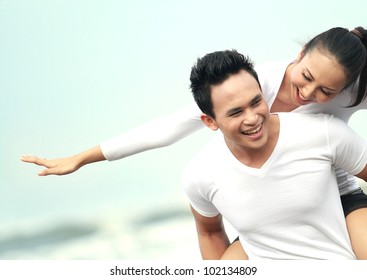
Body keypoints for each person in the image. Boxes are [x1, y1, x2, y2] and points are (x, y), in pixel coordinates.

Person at [21, 26, 367, 258]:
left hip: (337, 195)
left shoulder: (351, 93)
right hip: (270, 210)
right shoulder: (248, 85)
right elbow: (167, 128)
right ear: (301, 53)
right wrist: (82, 158)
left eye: (326, 91)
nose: (308, 94)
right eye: (306, 77)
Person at [183, 49, 367, 259]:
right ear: (210, 121)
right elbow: (210, 232)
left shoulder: (322, 133)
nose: (252, 119)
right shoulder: (200, 174)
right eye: (236, 112)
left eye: (256, 102)